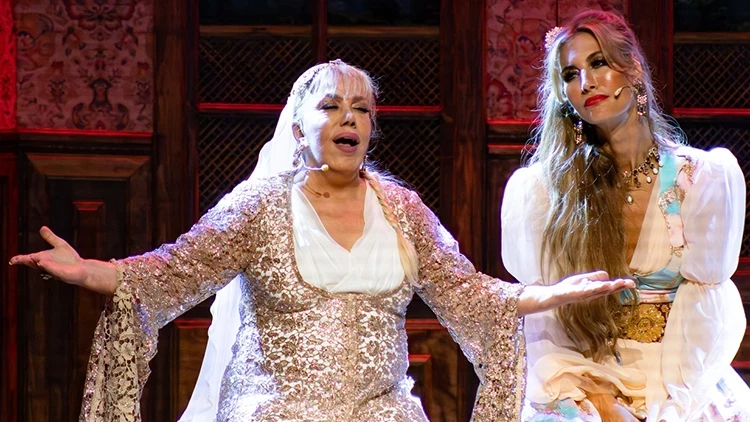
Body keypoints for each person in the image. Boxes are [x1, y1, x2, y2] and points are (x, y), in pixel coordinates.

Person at [10, 60, 632, 422]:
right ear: (298, 126)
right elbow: (173, 272)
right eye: (331, 106)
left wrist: (544, 294)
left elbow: (465, 293)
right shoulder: (259, 207)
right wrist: (90, 270)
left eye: (362, 109)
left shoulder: (402, 210)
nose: (349, 118)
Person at [501, 11, 750, 422]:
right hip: (585, 380)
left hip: (680, 380)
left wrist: (672, 409)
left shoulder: (700, 178)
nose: (586, 83)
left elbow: (708, 309)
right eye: (570, 74)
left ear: (632, 69)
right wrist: (597, 401)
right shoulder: (546, 192)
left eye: (598, 63)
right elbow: (546, 319)